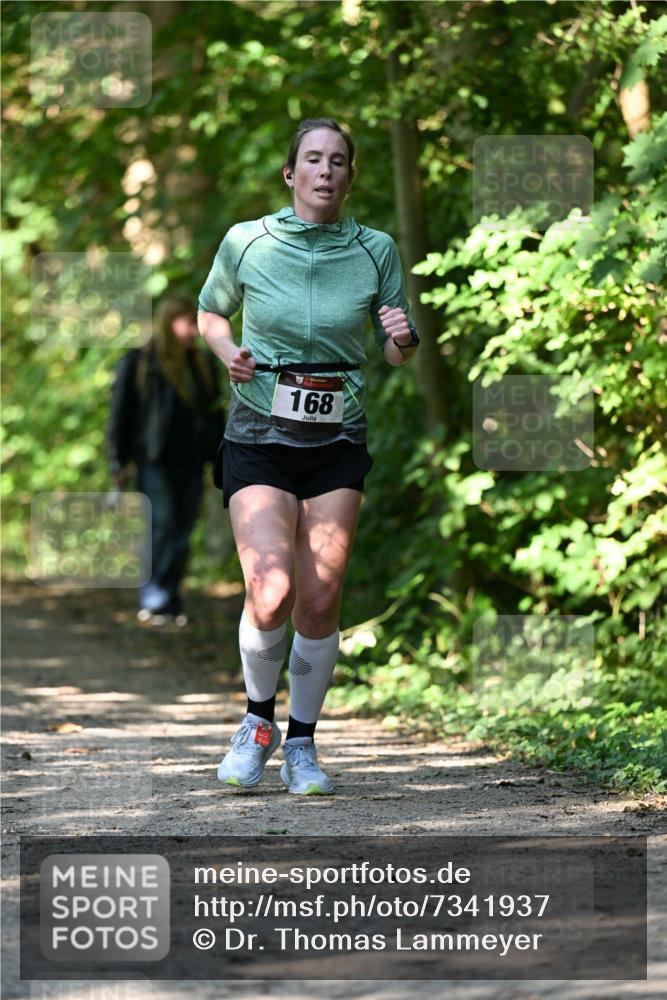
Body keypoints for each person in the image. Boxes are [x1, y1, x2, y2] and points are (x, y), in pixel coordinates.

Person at [198, 117, 420, 795]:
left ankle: (302, 745)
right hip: (259, 434)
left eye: (339, 161)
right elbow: (211, 313)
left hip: (336, 442)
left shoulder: (374, 248)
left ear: (350, 177)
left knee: (320, 601)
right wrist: (227, 351)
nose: (326, 170)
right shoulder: (248, 242)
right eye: (313, 159)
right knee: (270, 590)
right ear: (291, 174)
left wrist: (403, 337)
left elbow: (394, 346)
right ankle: (257, 723)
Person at [108, 295, 225, 625]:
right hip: (154, 460)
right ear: (169, 321)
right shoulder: (141, 362)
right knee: (162, 525)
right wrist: (118, 460)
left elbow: (214, 418)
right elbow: (120, 416)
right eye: (189, 323)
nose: (194, 332)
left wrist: (220, 460)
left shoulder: (202, 365)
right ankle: (154, 596)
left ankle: (171, 598)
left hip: (191, 462)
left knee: (183, 532)